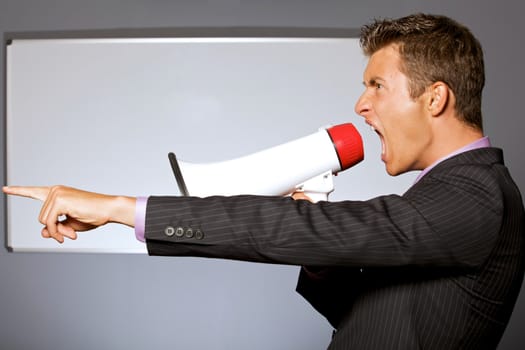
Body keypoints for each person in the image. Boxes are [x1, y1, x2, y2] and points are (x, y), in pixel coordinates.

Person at [3, 13, 525, 350]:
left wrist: (121, 207)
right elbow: (365, 319)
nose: (361, 104)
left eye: (377, 86)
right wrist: (323, 259)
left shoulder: (476, 192)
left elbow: (297, 227)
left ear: (434, 99)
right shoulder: (447, 194)